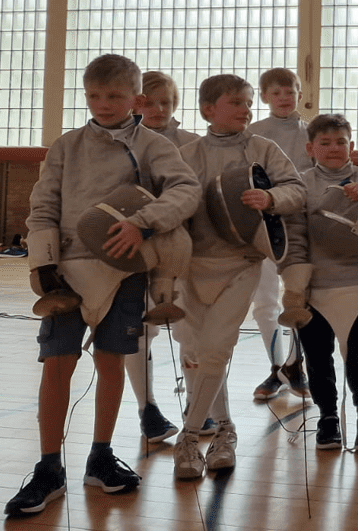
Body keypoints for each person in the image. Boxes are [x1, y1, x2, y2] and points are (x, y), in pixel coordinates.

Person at [6, 54, 200, 516]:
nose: (103, 104)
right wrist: (44, 265)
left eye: (114, 96)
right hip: (68, 273)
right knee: (57, 365)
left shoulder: (153, 146)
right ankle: (48, 468)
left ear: (136, 100)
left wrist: (143, 222)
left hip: (125, 269)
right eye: (94, 96)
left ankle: (101, 456)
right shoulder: (66, 147)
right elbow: (42, 206)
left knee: (111, 363)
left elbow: (185, 190)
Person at [172, 74, 305, 479]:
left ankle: (189, 438)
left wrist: (271, 197)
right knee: (196, 354)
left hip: (241, 263)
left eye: (248, 103)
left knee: (216, 348)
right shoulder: (187, 154)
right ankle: (225, 430)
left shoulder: (263, 148)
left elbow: (296, 189)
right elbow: (170, 201)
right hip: (190, 267)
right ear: (208, 109)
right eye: (236, 102)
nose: (246, 110)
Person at [279, 114, 358, 452]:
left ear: (351, 145)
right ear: (310, 148)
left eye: (341, 142)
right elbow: (294, 235)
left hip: (356, 282)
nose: (334, 148)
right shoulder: (300, 184)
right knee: (317, 355)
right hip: (315, 285)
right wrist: (296, 284)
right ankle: (327, 416)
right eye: (325, 143)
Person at [125, 70, 199, 443]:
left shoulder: (193, 145)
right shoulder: (121, 145)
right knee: (139, 331)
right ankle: (147, 409)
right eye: (150, 102)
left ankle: (199, 405)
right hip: (134, 253)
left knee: (191, 331)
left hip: (183, 253)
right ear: (136, 103)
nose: (159, 109)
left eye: (166, 102)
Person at [246, 67, 310, 402]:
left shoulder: (311, 132)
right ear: (264, 96)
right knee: (265, 298)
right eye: (276, 92)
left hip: (299, 224)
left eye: (290, 91)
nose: (284, 98)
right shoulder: (252, 134)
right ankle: (276, 367)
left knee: (299, 295)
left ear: (300, 94)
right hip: (262, 227)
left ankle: (295, 365)